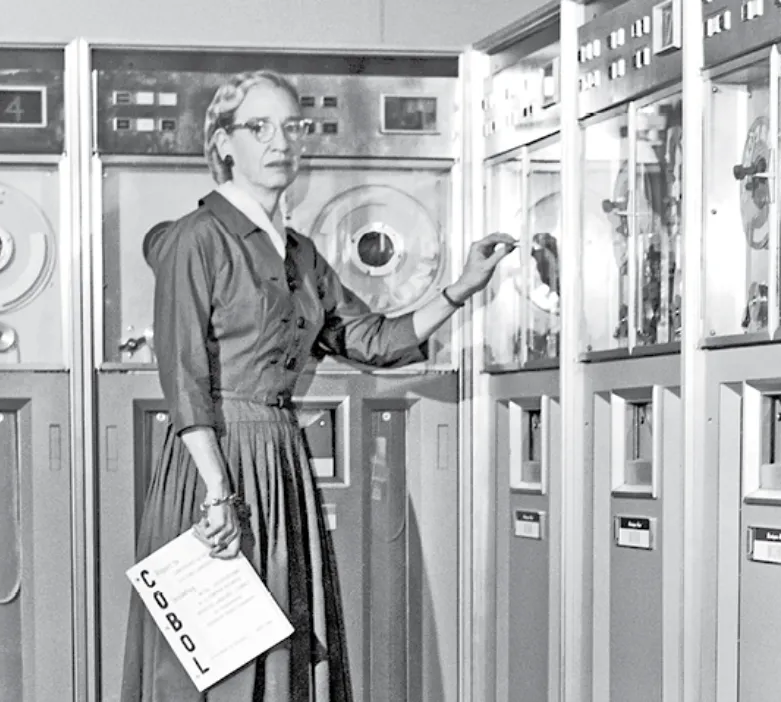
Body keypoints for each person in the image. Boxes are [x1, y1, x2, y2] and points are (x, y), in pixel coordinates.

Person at [120, 68, 516, 702]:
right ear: (223, 144)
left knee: (283, 648)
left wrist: (459, 290)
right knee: (216, 659)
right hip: (213, 462)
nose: (280, 142)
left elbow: (373, 340)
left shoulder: (298, 252)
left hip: (278, 457)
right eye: (259, 128)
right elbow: (184, 373)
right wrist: (219, 491)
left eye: (291, 127)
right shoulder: (197, 238)